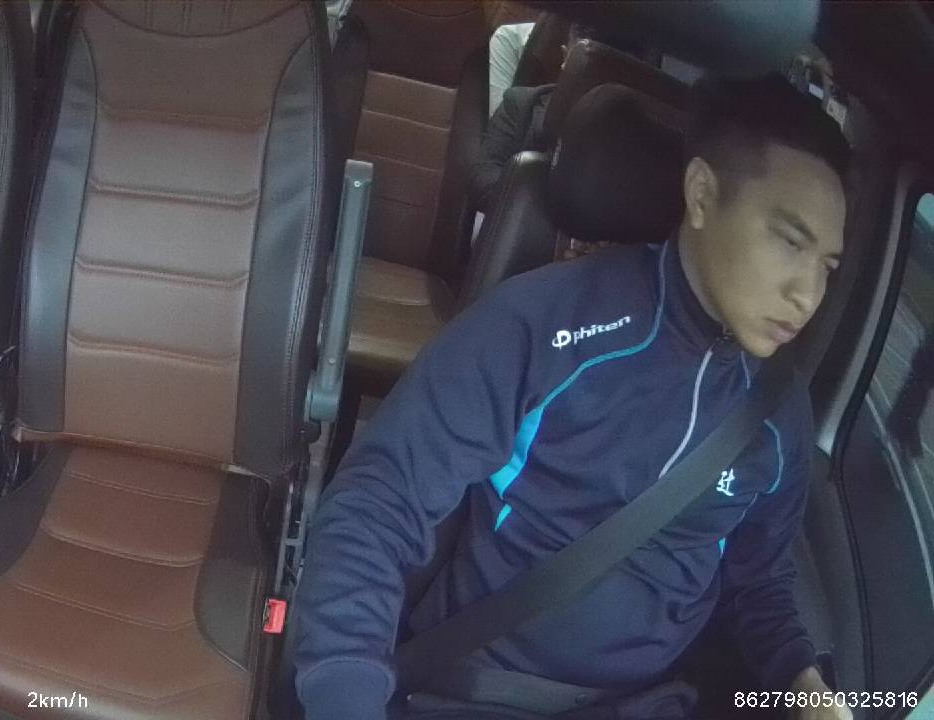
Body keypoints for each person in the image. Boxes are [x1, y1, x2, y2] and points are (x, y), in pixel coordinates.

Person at [290, 75, 852, 720]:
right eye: (790, 241)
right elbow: (382, 500)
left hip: (652, 705)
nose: (808, 295)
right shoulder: (548, 325)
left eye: (828, 267)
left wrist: (807, 688)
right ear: (702, 194)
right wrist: (346, 691)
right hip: (479, 694)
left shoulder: (779, 411)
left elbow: (760, 583)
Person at [470, 24, 645, 213]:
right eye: (585, 70)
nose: (593, 85)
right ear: (565, 59)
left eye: (607, 77)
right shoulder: (522, 104)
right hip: (520, 220)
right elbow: (482, 179)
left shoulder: (642, 130)